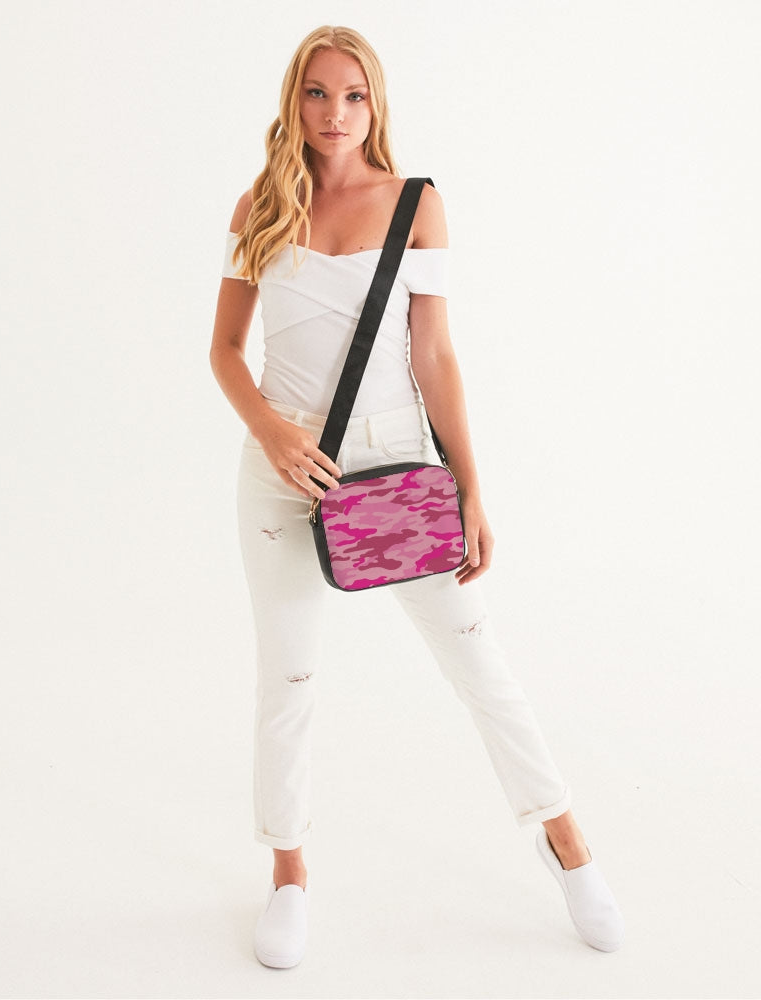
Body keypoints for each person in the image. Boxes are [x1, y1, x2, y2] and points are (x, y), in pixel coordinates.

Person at [209, 24, 624, 969]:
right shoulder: (260, 205)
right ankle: (288, 874)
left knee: (478, 661)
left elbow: (434, 355)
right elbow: (225, 350)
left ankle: (567, 843)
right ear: (294, 100)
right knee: (288, 678)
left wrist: (472, 487)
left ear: (376, 103)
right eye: (318, 93)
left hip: (398, 462)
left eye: (353, 95)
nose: (335, 114)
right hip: (284, 474)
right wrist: (272, 434)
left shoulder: (416, 203)